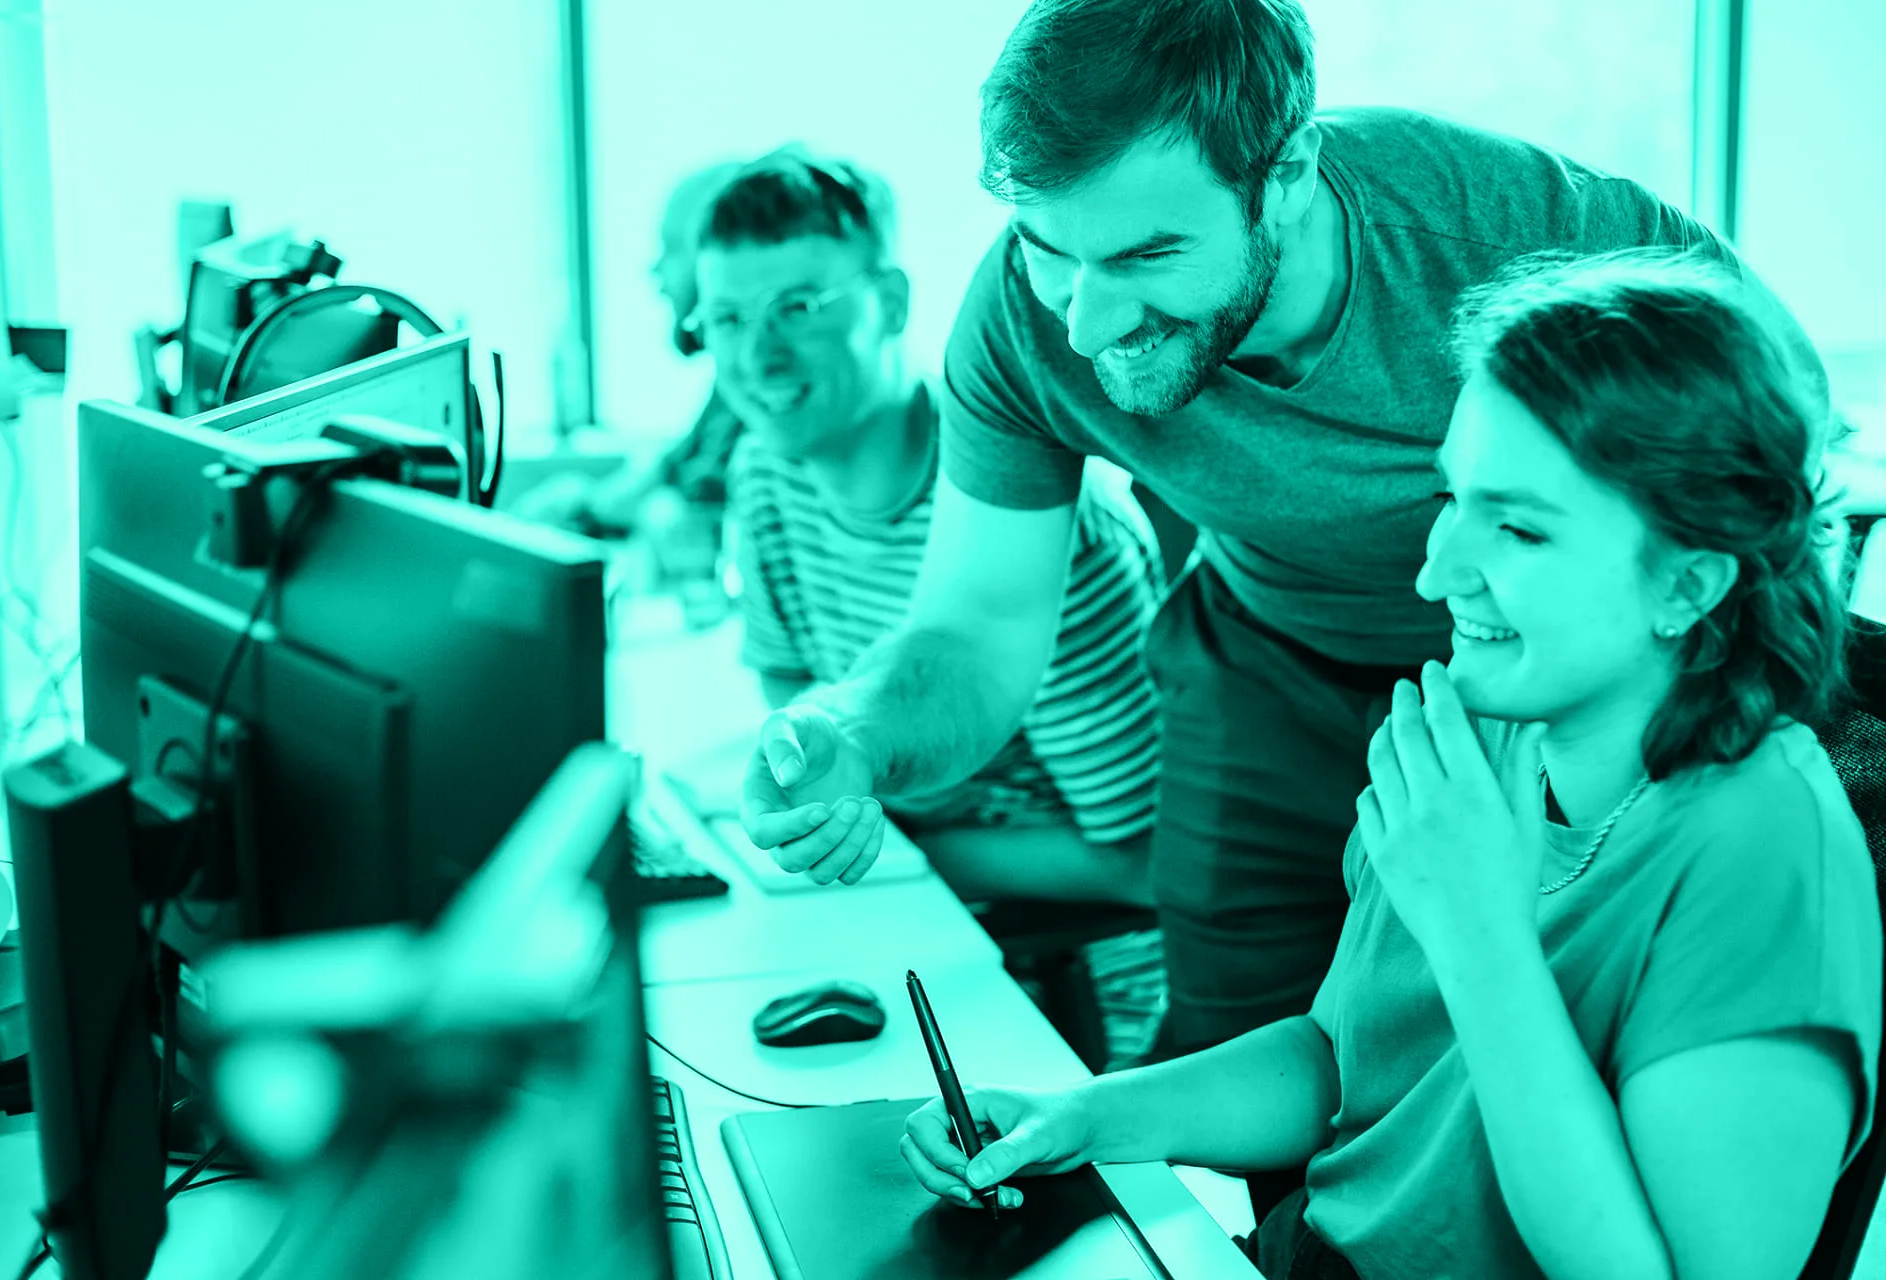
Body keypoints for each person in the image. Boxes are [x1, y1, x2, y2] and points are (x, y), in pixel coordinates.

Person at [735, 0, 1833, 1133]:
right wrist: (851, 735)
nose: (1085, 323)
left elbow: (1781, 453)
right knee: (1236, 1055)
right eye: (1047, 248)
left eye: (1148, 254)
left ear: (1289, 174)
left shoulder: (1524, 239)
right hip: (1266, 653)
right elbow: (976, 629)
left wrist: (1681, 745)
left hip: (1527, 679)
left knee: (1494, 1077)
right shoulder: (1029, 316)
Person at [897, 249, 1882, 1280]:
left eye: (1518, 527)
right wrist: (1082, 1115)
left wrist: (1480, 934)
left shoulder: (1765, 851)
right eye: (1453, 498)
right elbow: (1340, 1058)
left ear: (1686, 585)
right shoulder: (1485, 727)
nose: (1436, 571)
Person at [701, 148, 1163, 906]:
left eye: (799, 308)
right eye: (727, 319)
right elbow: (787, 679)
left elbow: (1138, 863)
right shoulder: (765, 472)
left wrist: (888, 847)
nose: (759, 357)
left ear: (890, 304)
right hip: (900, 896)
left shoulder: (1033, 514)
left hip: (1051, 945)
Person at [515, 162, 747, 618]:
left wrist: (637, 508)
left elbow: (702, 530)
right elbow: (669, 468)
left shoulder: (762, 394)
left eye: (672, 247)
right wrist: (586, 500)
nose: (655, 270)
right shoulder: (726, 387)